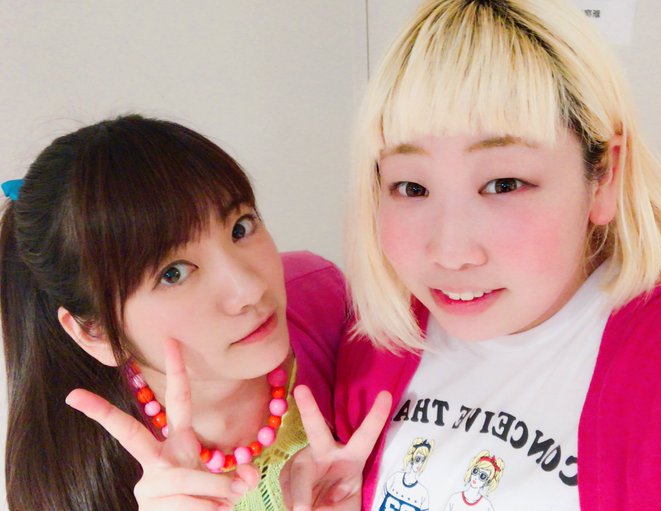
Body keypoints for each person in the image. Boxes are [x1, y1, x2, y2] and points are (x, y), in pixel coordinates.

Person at [334, 1, 661, 510]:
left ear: (604, 177)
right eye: (411, 187)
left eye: (504, 184)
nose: (451, 254)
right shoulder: (376, 343)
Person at [0, 115, 388, 511]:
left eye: (240, 228)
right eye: (173, 273)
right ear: (95, 332)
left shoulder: (324, 300)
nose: (249, 290)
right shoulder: (73, 480)